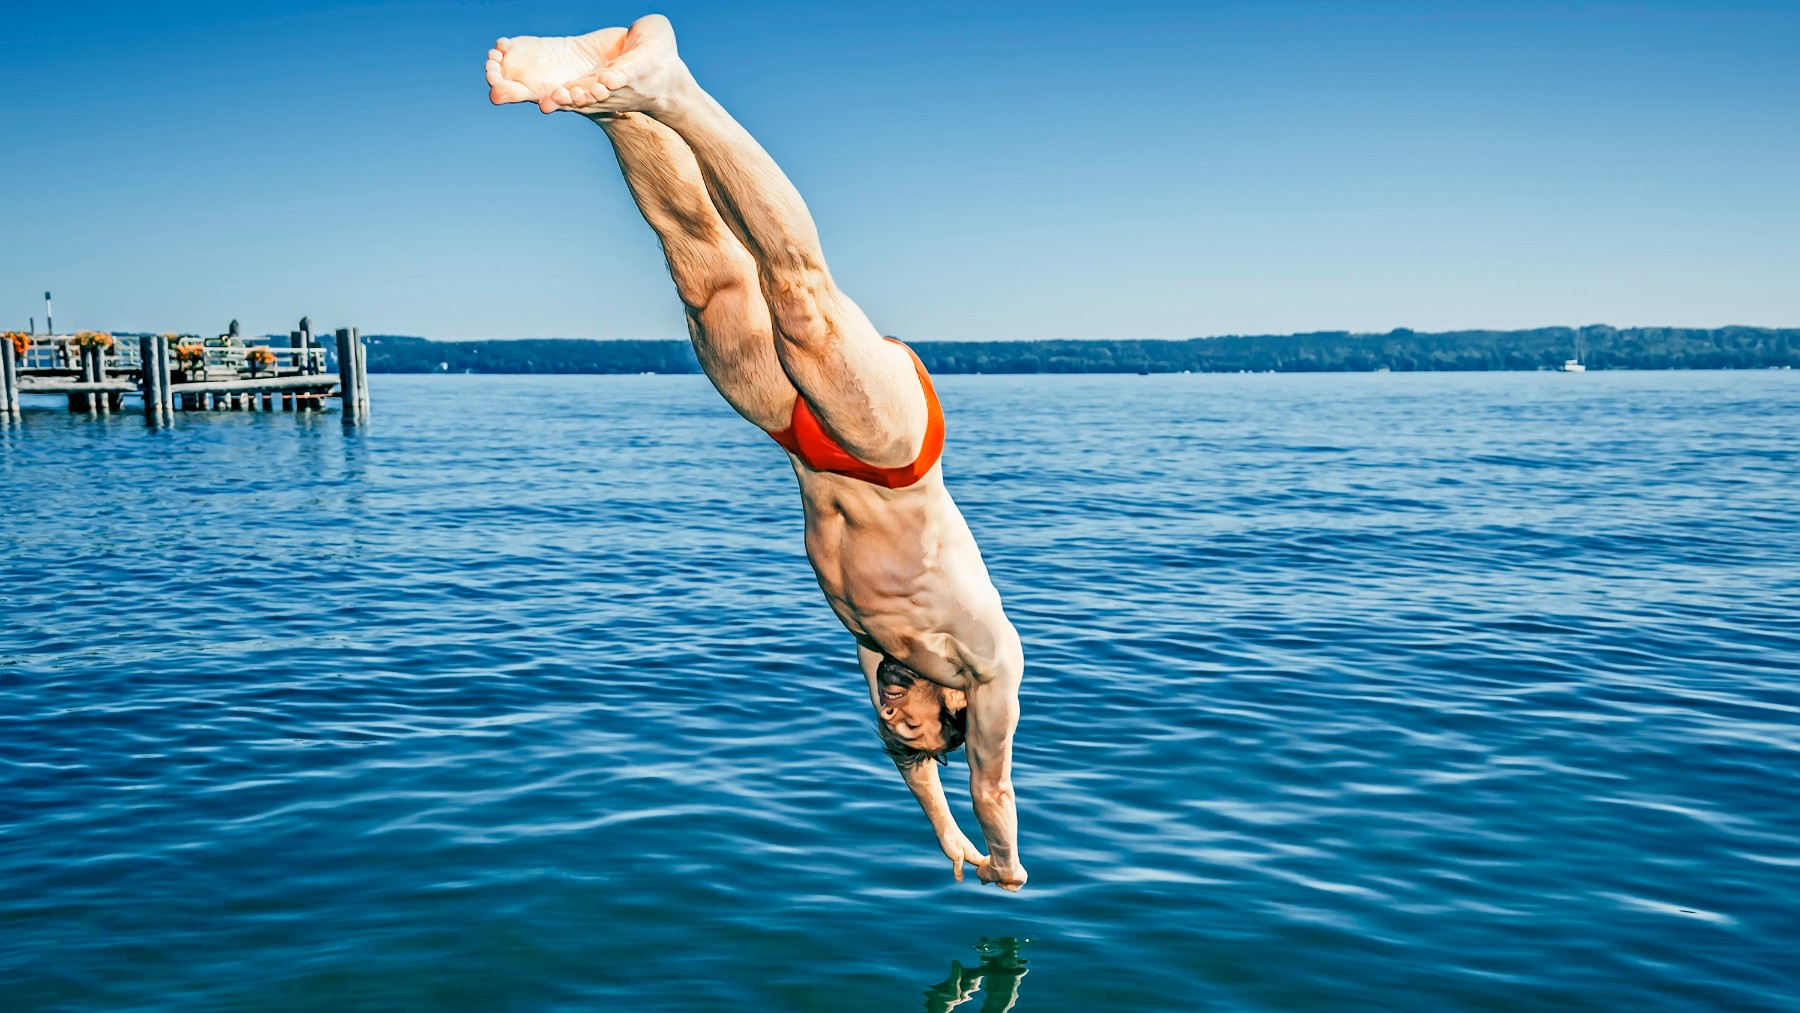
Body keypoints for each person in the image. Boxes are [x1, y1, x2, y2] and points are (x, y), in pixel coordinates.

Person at [484, 15, 1027, 890]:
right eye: (917, 719)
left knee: (704, 280)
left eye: (894, 718)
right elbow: (988, 781)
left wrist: (937, 831)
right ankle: (674, 89)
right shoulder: (987, 657)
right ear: (957, 703)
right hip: (892, 448)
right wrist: (999, 856)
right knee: (801, 302)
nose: (895, 712)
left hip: (798, 439)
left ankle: (615, 96)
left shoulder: (872, 644)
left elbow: (910, 758)